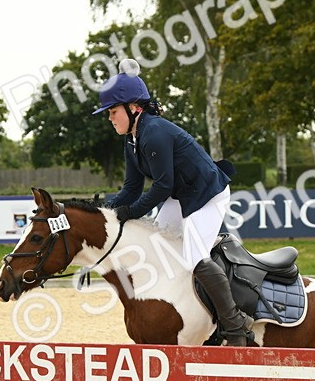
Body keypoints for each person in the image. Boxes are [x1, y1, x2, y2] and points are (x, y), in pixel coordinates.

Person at [95, 58, 254, 346]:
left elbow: (162, 185)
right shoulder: (132, 140)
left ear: (134, 108)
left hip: (207, 195)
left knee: (193, 258)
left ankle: (235, 324)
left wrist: (129, 212)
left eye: (113, 111)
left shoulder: (153, 132)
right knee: (161, 249)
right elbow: (132, 187)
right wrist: (107, 211)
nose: (109, 118)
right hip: (181, 195)